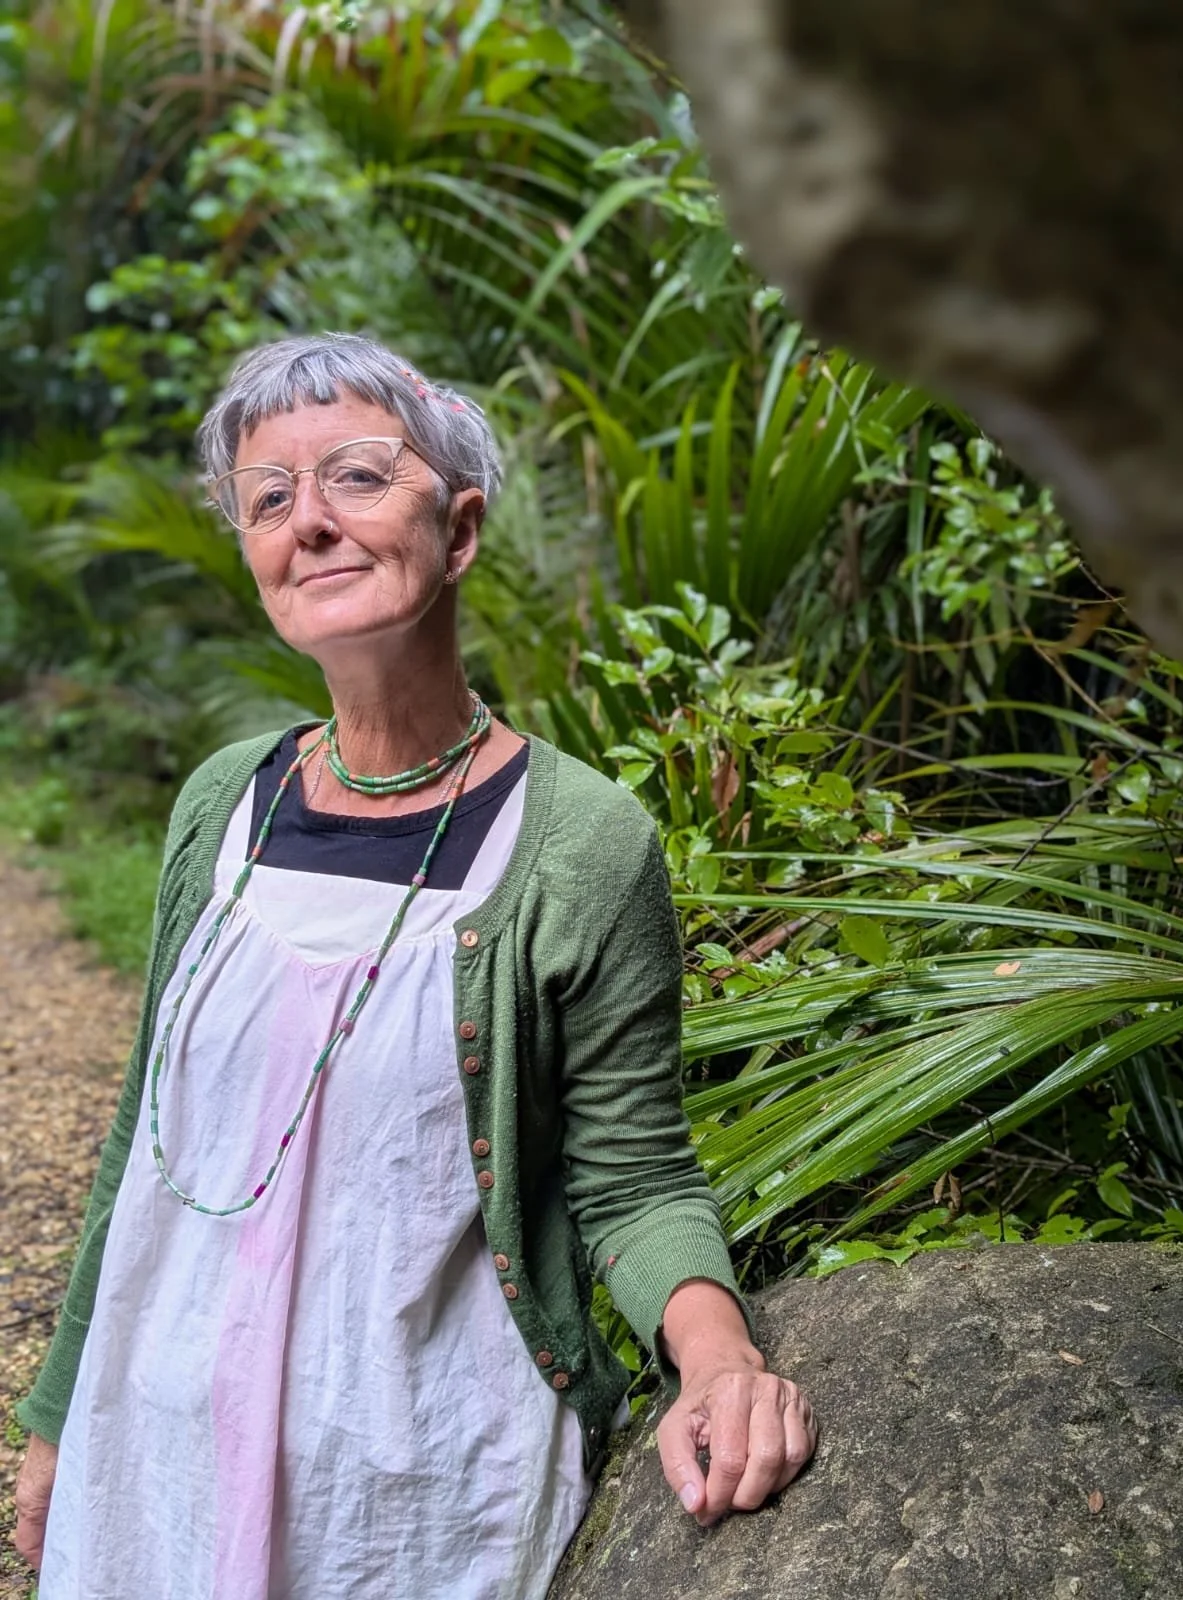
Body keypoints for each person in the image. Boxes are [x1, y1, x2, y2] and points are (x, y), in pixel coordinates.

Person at [13, 333, 816, 1599]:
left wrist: (716, 1360)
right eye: (269, 499)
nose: (311, 522)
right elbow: (143, 1133)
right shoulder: (221, 803)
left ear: (462, 527)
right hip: (155, 1446)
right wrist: (60, 1411)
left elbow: (632, 1171)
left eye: (358, 476)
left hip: (420, 1486)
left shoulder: (582, 843)